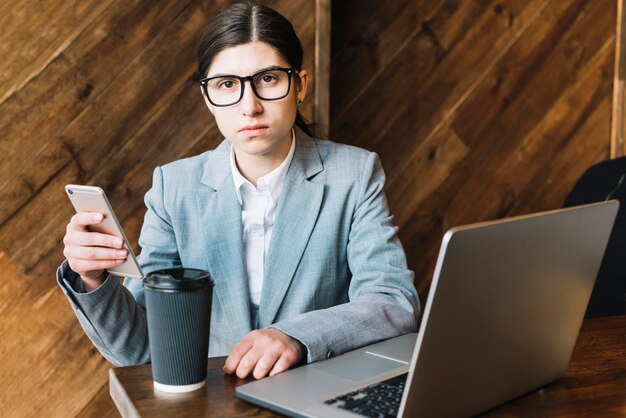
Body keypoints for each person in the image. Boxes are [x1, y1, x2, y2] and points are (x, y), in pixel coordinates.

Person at [58, 2, 419, 380]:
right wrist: (93, 280)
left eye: (268, 79)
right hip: (211, 400)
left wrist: (294, 337)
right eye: (227, 85)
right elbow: (139, 347)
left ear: (300, 85)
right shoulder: (173, 188)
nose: (250, 106)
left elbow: (392, 301)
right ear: (207, 98)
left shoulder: (355, 174)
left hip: (319, 394)